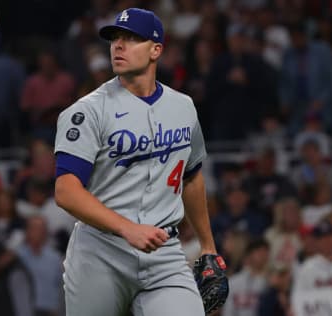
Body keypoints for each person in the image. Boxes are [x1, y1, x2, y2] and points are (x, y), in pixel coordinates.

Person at [54, 8, 226, 316]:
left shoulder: (183, 107)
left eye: (131, 38)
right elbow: (66, 191)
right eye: (115, 38)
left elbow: (191, 176)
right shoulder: (87, 112)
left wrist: (207, 246)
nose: (118, 45)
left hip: (164, 252)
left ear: (156, 50)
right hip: (100, 251)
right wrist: (126, 228)